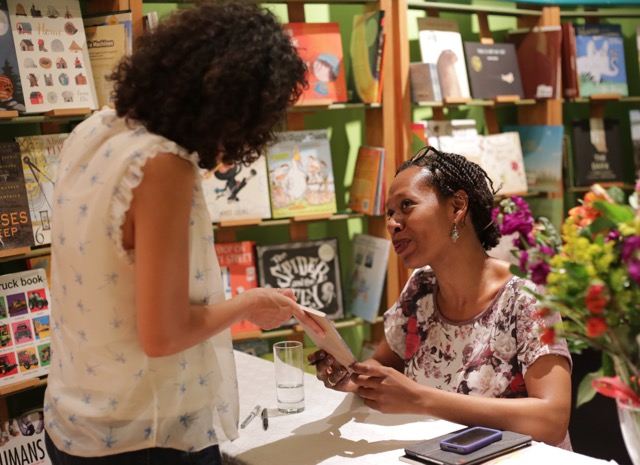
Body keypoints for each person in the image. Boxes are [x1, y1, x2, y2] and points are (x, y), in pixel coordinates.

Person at [43, 2, 323, 464]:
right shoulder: (162, 167)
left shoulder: (95, 129)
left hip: (74, 419)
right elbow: (164, 335)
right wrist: (251, 303)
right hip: (146, 436)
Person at [309, 146, 573, 449]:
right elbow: (382, 372)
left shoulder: (525, 296)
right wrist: (348, 377)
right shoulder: (419, 290)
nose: (393, 223)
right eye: (390, 213)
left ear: (457, 206)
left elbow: (552, 421)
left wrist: (421, 399)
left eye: (406, 205)